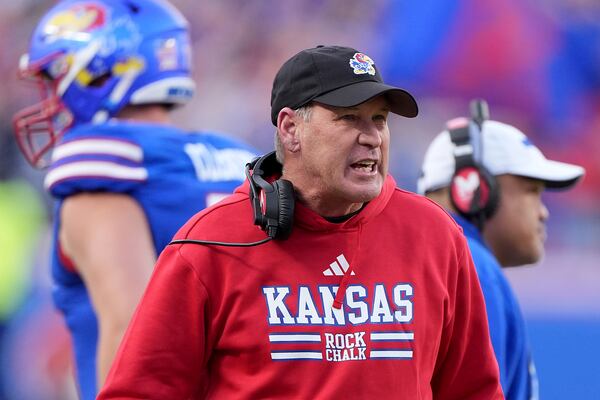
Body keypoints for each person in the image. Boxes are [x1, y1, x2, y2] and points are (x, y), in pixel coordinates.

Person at [98, 45, 502, 399]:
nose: (372, 137)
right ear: (291, 129)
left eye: (379, 119)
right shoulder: (208, 245)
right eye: (349, 118)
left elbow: (474, 391)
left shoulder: (435, 235)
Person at [12, 1, 257, 399]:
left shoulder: (102, 172)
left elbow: (134, 330)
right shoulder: (235, 158)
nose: (53, 94)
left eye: (57, 75)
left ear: (102, 71)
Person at [417, 104, 585, 400]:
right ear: (474, 189)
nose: (544, 212)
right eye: (532, 191)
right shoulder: (471, 265)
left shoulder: (436, 260)